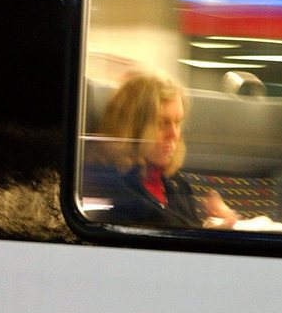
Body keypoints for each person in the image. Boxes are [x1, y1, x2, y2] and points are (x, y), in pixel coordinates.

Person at [83, 73, 238, 229]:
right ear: (134, 128)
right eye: (162, 123)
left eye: (177, 123)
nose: (174, 134)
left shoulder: (177, 185)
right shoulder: (108, 185)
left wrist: (214, 226)